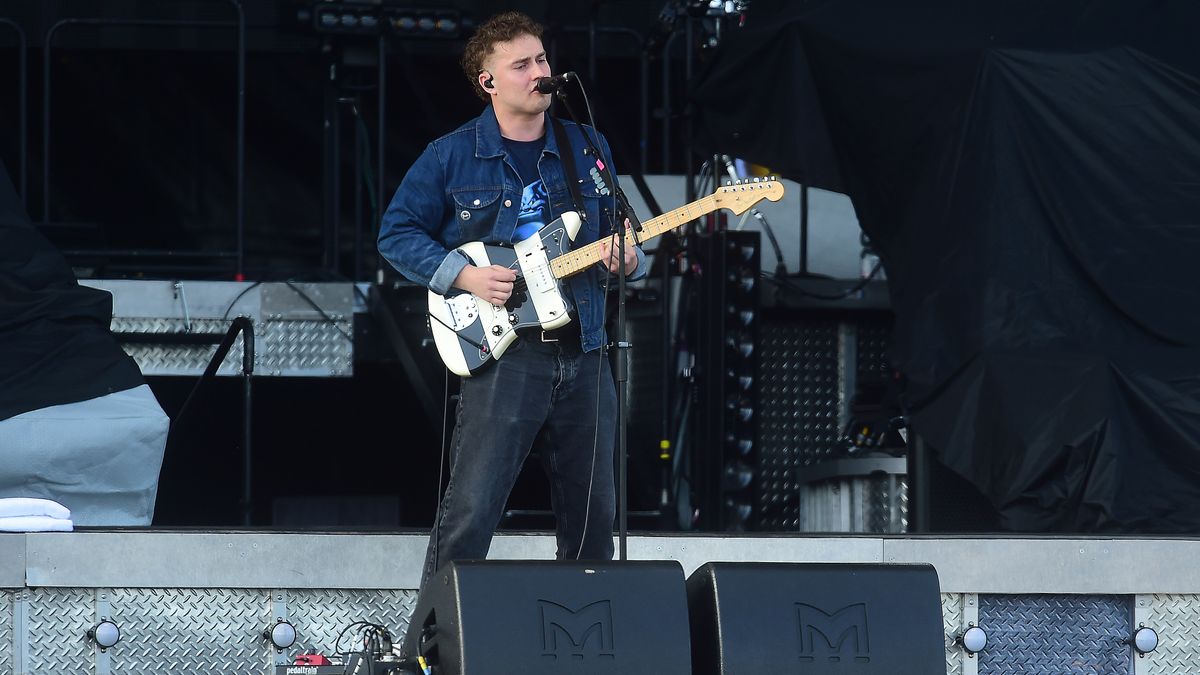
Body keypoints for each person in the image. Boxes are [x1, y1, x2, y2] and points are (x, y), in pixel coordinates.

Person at [377, 11, 645, 588]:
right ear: (489, 82)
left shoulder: (586, 144)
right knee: (472, 514)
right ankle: (432, 648)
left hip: (586, 349)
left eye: (542, 60)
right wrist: (466, 278)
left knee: (594, 519)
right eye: (521, 65)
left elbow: (622, 230)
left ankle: (585, 640)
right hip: (506, 355)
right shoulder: (451, 155)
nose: (539, 73)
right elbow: (395, 234)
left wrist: (627, 254)